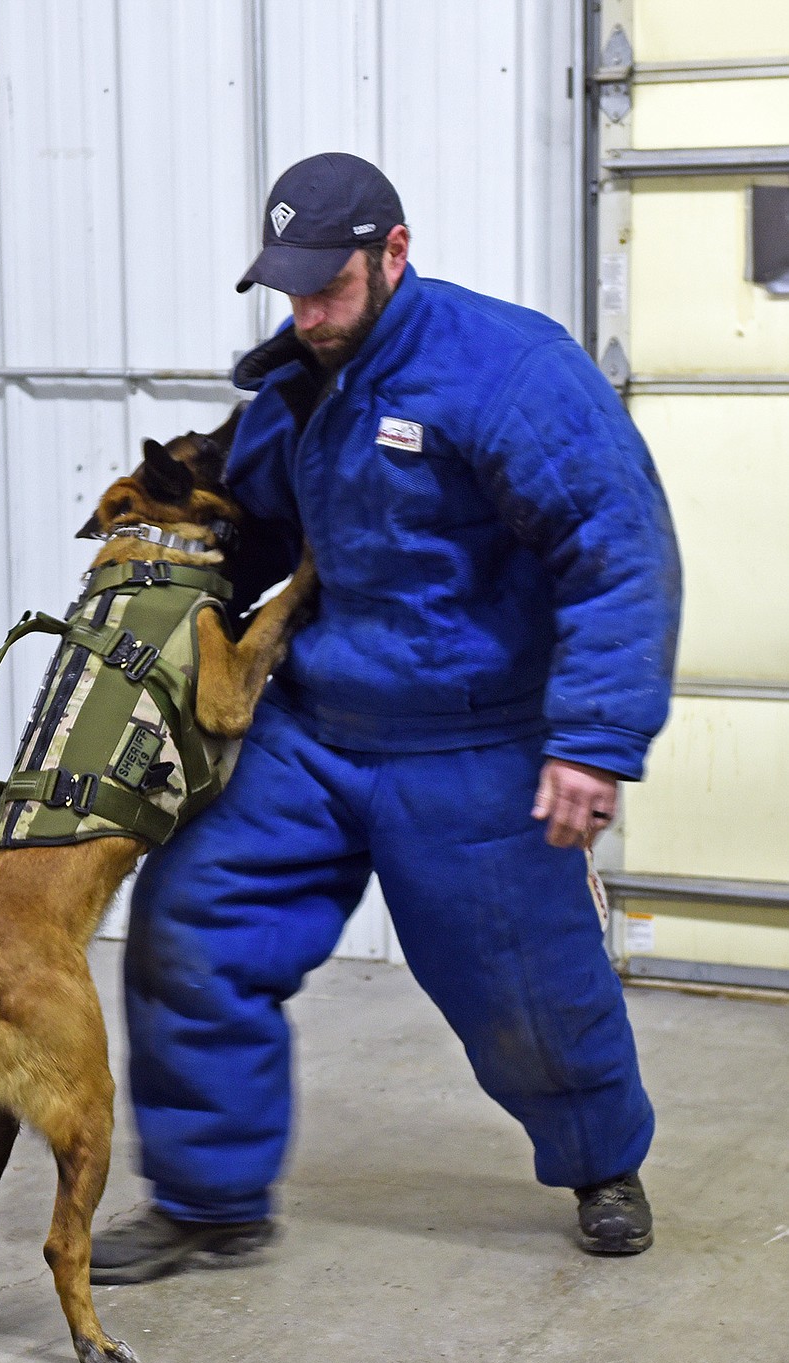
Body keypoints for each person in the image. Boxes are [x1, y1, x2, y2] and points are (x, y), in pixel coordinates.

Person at [89, 152, 681, 1284]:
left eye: (330, 287)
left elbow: (618, 549)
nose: (309, 314)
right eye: (292, 291)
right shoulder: (299, 384)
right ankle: (212, 1200)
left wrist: (592, 740)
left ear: (393, 254)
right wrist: (162, 560)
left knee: (526, 985)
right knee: (193, 926)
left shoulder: (507, 371)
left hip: (469, 737)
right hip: (312, 724)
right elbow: (251, 522)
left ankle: (603, 1160)